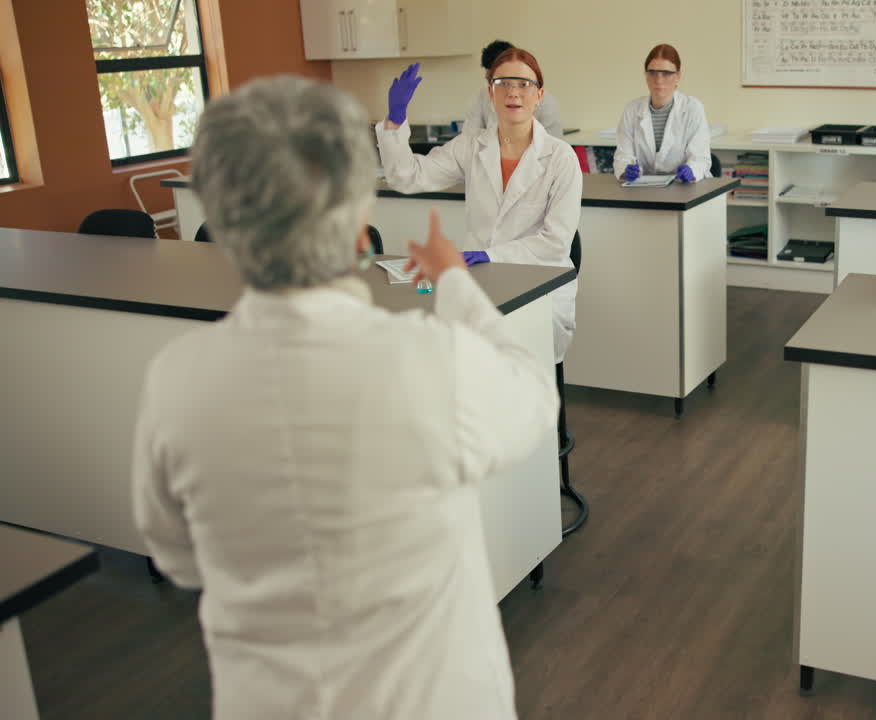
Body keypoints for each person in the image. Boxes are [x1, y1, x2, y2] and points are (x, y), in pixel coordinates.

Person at [132, 76, 557, 719]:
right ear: (362, 217)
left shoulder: (177, 378)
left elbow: (178, 558)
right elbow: (531, 393)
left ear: (218, 218)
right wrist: (455, 285)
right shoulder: (427, 360)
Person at [378, 48, 582, 363]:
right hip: (481, 281)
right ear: (490, 92)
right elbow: (408, 178)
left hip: (539, 289)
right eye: (503, 82)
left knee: (500, 358)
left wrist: (490, 254)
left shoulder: (561, 157)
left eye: (524, 84)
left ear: (539, 95)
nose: (513, 92)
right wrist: (395, 121)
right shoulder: (470, 146)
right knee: (443, 351)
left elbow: (556, 241)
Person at [613, 43, 712, 184]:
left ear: (678, 76)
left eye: (666, 74)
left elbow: (700, 158)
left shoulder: (692, 108)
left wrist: (692, 170)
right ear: (645, 75)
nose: (658, 80)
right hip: (645, 188)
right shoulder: (632, 110)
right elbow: (622, 156)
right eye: (652, 73)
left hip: (686, 188)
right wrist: (625, 170)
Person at [463, 39, 565, 138]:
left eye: (505, 82)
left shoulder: (545, 102)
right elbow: (469, 137)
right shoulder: (481, 97)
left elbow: (552, 141)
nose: (512, 93)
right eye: (494, 82)